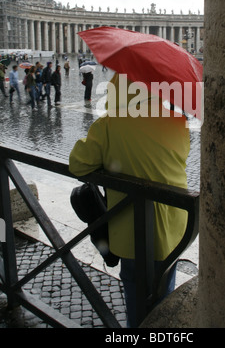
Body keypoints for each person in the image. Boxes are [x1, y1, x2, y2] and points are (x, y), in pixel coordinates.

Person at [69, 73, 189, 327]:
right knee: (165, 289)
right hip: (176, 226)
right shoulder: (177, 122)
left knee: (136, 295)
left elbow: (78, 164)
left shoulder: (110, 124)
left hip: (133, 231)